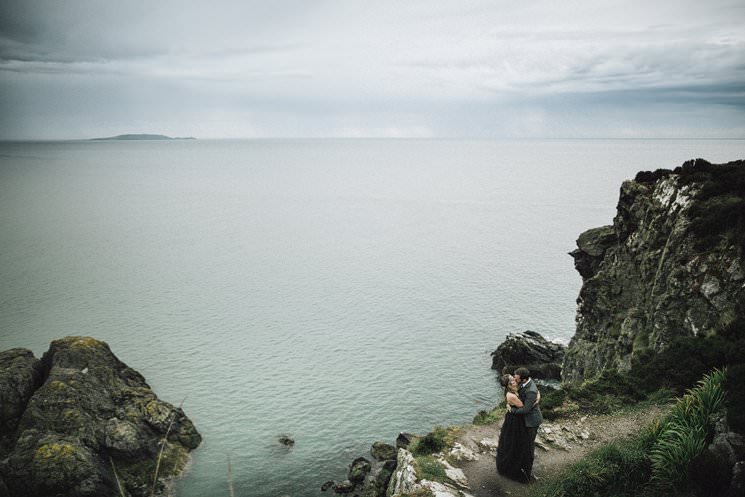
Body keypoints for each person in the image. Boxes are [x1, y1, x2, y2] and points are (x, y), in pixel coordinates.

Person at [496, 374, 533, 482]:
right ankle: (512, 468)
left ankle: (519, 465)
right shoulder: (511, 395)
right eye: (512, 380)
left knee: (515, 443)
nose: (515, 381)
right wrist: (535, 400)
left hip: (516, 419)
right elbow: (524, 406)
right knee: (515, 443)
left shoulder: (515, 390)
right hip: (514, 422)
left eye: (513, 378)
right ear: (508, 385)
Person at [510, 367, 543, 481]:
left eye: (516, 378)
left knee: (528, 447)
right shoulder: (524, 383)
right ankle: (519, 468)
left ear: (524, 380)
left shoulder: (531, 391)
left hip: (531, 422)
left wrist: (512, 411)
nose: (514, 379)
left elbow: (526, 410)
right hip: (524, 420)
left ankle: (527, 475)